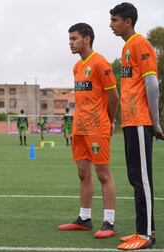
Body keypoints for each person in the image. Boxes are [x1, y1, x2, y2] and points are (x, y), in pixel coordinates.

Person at [110, 2, 164, 250]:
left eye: (115, 20)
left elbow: (152, 86)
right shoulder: (127, 48)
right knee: (135, 178)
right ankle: (143, 229)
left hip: (142, 120)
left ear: (128, 21)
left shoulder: (141, 44)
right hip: (131, 122)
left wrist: (155, 122)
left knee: (142, 179)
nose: (111, 24)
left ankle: (146, 234)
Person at [58, 23, 119, 239]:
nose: (70, 43)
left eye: (74, 38)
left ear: (87, 39)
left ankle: (109, 222)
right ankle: (84, 219)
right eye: (69, 39)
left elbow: (114, 97)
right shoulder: (77, 67)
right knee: (83, 174)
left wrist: (109, 122)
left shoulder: (100, 63)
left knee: (103, 175)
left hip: (97, 127)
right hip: (80, 128)